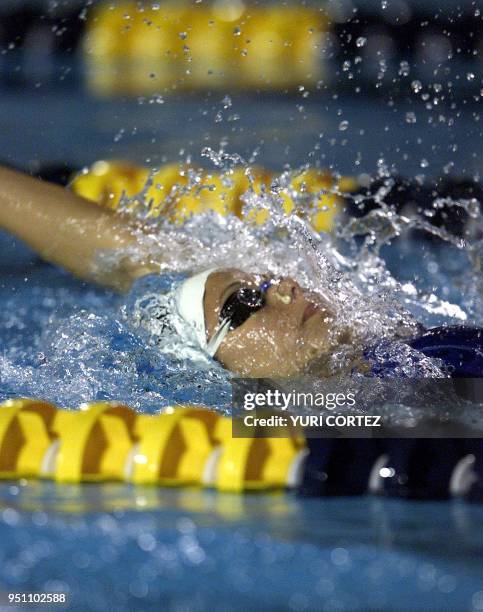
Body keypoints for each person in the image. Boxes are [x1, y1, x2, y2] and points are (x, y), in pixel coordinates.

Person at [0, 165, 481, 379]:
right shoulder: (300, 419)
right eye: (245, 303)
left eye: (269, 282)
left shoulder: (412, 354)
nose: (289, 288)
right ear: (214, 369)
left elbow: (139, 258)